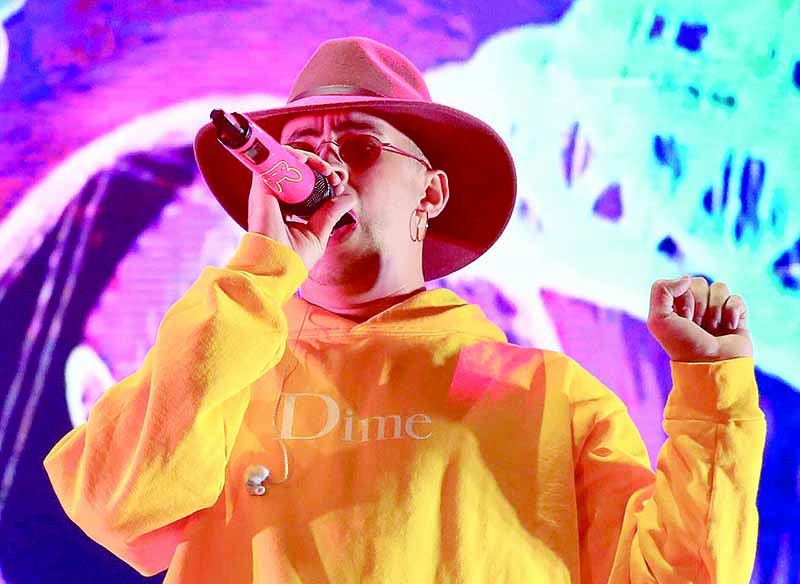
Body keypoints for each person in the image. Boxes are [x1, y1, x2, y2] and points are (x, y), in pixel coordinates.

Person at [44, 37, 765, 583]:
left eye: (359, 145)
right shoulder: (216, 381)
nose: (325, 169)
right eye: (301, 149)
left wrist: (713, 397)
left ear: (431, 195)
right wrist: (260, 270)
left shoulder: (550, 396)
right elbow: (116, 507)